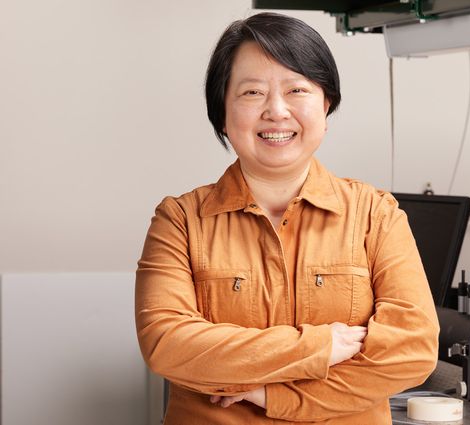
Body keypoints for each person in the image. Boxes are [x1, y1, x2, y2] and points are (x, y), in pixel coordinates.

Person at [135, 12, 439, 425]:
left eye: (297, 89)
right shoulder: (180, 220)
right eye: (252, 92)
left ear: (326, 103)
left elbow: (413, 351)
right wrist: (319, 346)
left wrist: (268, 394)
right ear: (221, 111)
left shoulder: (375, 214)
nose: (276, 111)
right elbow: (167, 344)